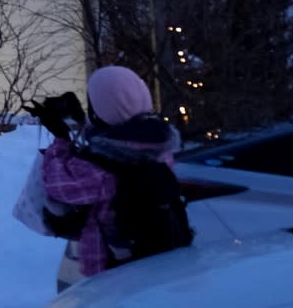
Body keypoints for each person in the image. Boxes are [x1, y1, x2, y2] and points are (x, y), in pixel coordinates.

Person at [39, 65, 189, 289]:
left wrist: (61, 139)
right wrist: (83, 123)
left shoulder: (99, 166)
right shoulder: (158, 146)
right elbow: (114, 133)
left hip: (112, 273)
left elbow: (56, 182)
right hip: (160, 261)